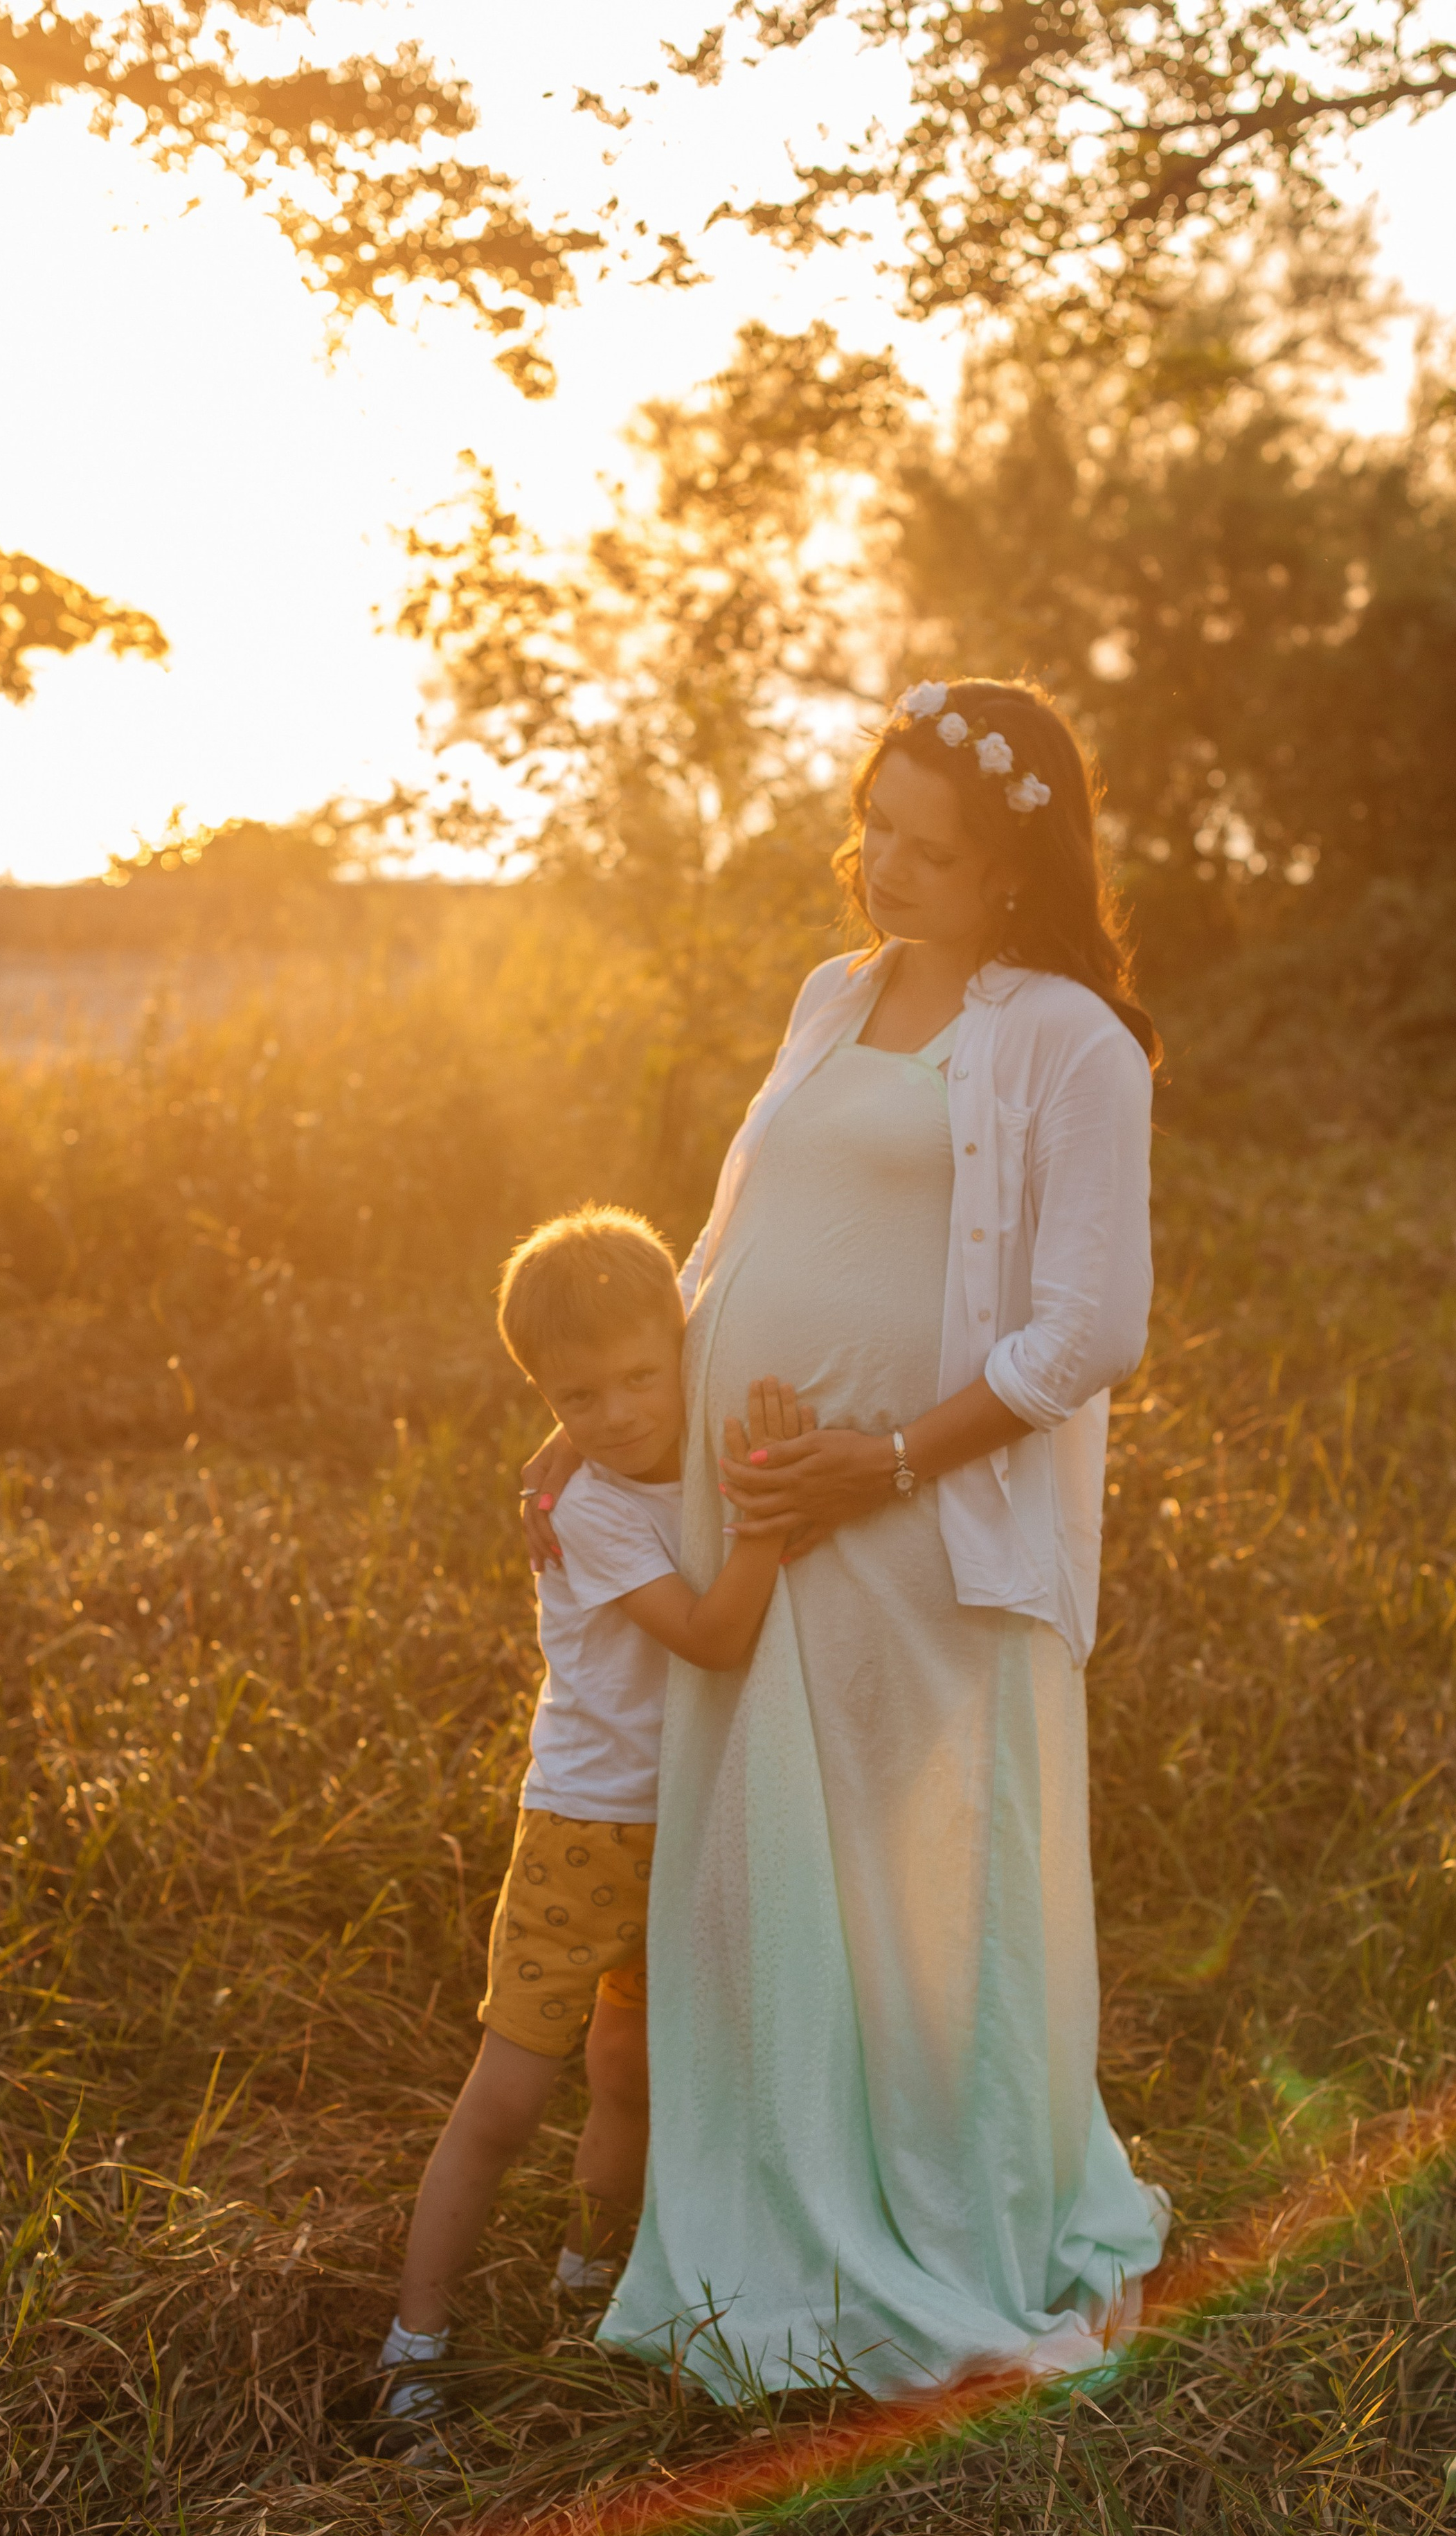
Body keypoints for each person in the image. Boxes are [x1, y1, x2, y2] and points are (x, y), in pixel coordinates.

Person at [526, 677, 1170, 2398]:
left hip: (912, 1536)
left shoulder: (1067, 1044)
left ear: (1015, 873)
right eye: (873, 829)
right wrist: (587, 1422)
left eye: (930, 852)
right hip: (749, 1513)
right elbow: (734, 1247)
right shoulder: (831, 992)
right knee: (760, 1883)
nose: (884, 869)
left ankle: (928, 2220)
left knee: (916, 1890)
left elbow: (1084, 1333)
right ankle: (765, 2215)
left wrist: (876, 1460)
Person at [375, 1206, 809, 2436]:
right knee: (510, 2091)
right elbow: (717, 1639)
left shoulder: (687, 1432)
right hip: (585, 1826)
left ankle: (590, 2272)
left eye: (638, 1377)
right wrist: (772, 1514)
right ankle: (417, 2335)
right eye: (578, 1399)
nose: (619, 1414)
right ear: (545, 1401)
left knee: (633, 2077)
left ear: (685, 1344)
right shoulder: (592, 1507)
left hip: (689, 1827)